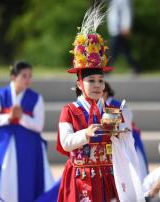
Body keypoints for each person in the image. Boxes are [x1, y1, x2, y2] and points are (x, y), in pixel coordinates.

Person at [56, 4, 144, 202]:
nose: (97, 85)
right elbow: (66, 142)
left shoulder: (111, 110)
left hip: (108, 177)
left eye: (101, 80)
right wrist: (86, 134)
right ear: (80, 83)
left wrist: (120, 133)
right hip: (81, 179)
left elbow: (126, 137)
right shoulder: (69, 110)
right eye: (91, 81)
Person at [0, 61, 54, 202]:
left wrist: (21, 116)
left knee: (27, 179)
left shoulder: (36, 98)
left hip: (28, 147)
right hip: (3, 146)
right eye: (24, 76)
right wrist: (9, 117)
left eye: (30, 76)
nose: (28, 79)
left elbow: (39, 125)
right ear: (13, 77)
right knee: (3, 178)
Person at [102, 81, 149, 181]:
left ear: (105, 93)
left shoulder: (116, 106)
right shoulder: (100, 105)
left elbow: (123, 127)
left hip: (123, 141)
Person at [107, 0, 141, 74]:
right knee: (125, 51)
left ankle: (107, 69)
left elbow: (127, 13)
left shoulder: (123, 1)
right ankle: (136, 68)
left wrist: (126, 27)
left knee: (113, 51)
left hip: (120, 31)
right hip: (115, 30)